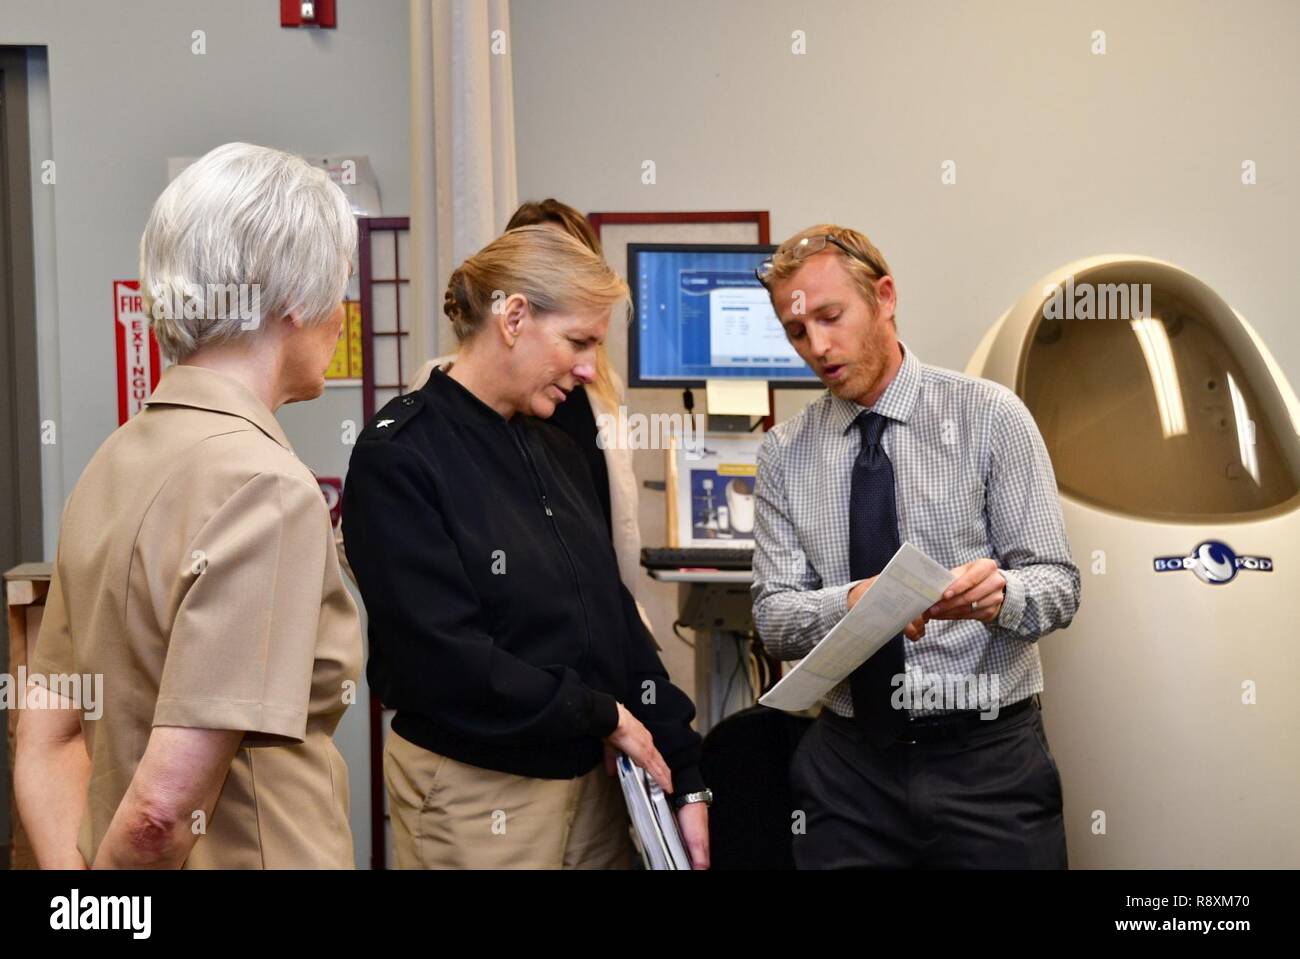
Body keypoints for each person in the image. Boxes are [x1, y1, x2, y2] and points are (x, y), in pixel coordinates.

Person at [15, 142, 362, 869]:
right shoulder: (265, 486)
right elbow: (159, 814)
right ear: (298, 300)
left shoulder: (112, 462)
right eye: (339, 289)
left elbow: (47, 735)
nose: (342, 315)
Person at [342, 225, 711, 869]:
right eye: (578, 342)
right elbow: (444, 658)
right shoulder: (400, 455)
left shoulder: (555, 450)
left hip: (593, 785)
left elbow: (614, 621)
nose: (590, 369)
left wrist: (683, 761)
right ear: (513, 317)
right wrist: (601, 715)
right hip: (477, 792)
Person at [751, 224, 1081, 868]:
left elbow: (1060, 586)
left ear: (885, 296)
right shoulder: (785, 454)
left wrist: (1002, 594)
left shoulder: (991, 416)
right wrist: (855, 603)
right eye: (796, 332)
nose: (817, 346)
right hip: (849, 773)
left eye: (830, 316)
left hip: (988, 764)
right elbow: (772, 618)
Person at [405, 199, 648, 616]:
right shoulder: (436, 402)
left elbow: (610, 522)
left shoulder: (601, 394)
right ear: (515, 309)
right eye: (549, 262)